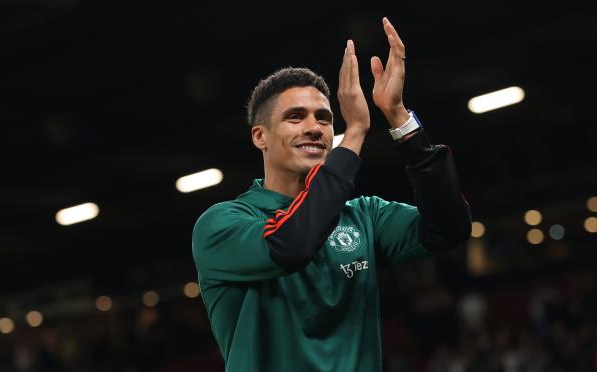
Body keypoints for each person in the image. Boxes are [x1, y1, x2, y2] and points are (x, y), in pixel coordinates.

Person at [192, 17, 472, 371]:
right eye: (295, 117)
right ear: (259, 136)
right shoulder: (221, 224)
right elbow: (291, 245)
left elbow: (451, 227)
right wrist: (354, 131)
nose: (314, 128)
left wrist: (398, 116)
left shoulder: (364, 216)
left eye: (324, 118)